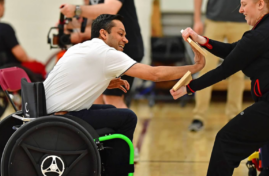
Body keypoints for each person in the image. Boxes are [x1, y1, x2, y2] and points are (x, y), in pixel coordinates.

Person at [44, 14, 205, 176]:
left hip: (50, 112)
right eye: (120, 34)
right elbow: (155, 74)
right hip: (62, 118)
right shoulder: (105, 53)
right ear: (104, 34)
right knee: (127, 117)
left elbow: (75, 81)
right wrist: (195, 67)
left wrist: (105, 82)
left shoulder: (82, 47)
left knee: (109, 108)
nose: (125, 39)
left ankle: (103, 165)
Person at [171, 0, 269, 176]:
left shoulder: (261, 34)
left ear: (260, 4)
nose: (240, 10)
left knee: (226, 140)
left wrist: (189, 88)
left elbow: (224, 70)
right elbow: (234, 51)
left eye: (244, 4)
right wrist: (202, 40)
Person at [190, 0, 269, 132]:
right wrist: (197, 19)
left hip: (242, 22)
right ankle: (199, 116)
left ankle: (234, 117)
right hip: (214, 21)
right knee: (205, 67)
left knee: (238, 73)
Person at [60, 0, 144, 109]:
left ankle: (124, 129)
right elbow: (97, 17)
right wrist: (69, 25)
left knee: (112, 98)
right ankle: (99, 130)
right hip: (106, 50)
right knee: (95, 96)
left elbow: (110, 10)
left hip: (124, 47)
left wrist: (77, 9)